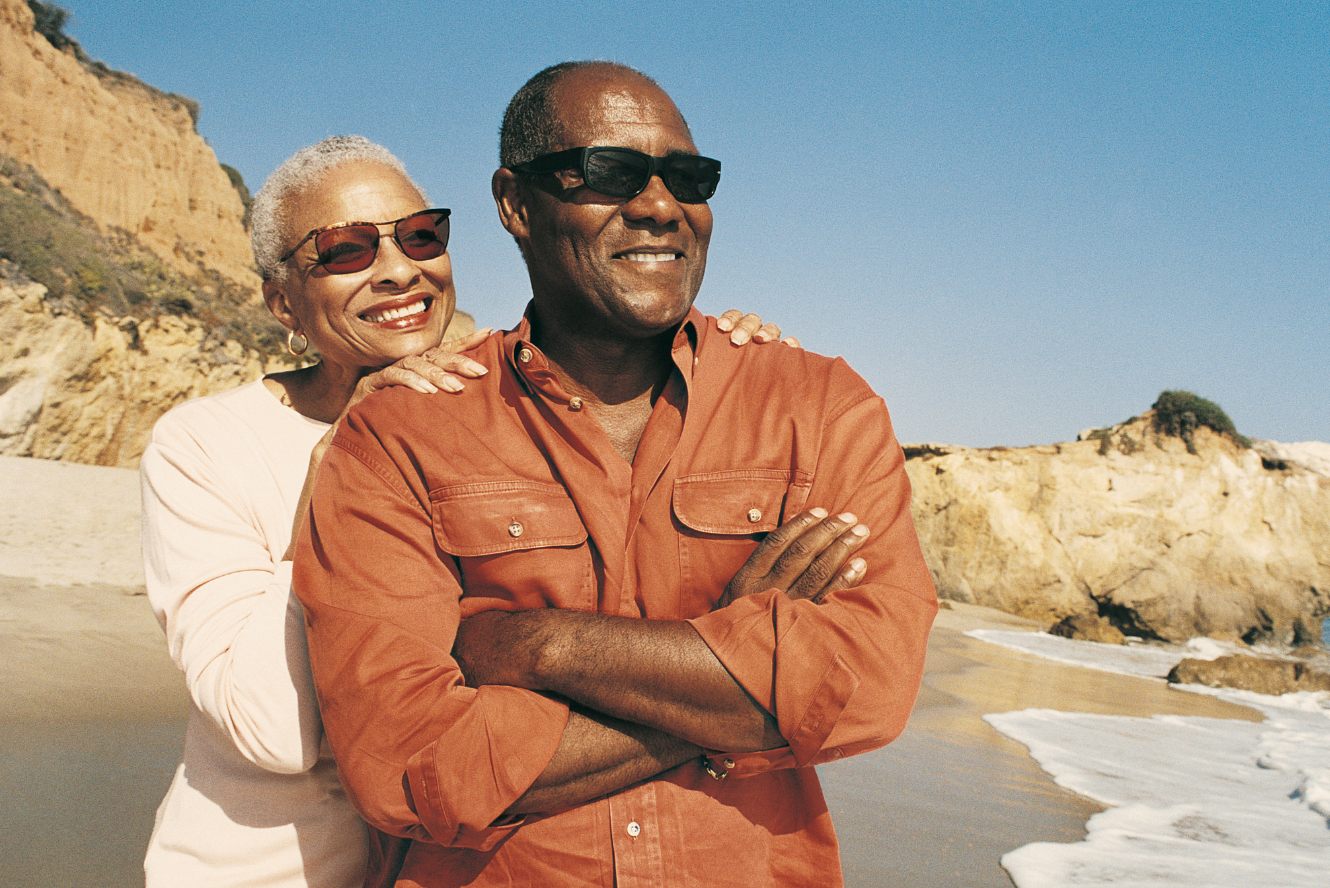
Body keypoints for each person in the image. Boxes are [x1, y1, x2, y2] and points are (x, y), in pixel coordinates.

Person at [294, 62, 937, 887]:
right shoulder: (400, 435)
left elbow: (867, 689)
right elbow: (405, 766)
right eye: (611, 173)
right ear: (515, 203)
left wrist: (536, 646)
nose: (662, 205)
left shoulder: (817, 408)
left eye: (689, 178)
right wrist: (740, 669)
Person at [140, 134, 786, 888]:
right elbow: (271, 731)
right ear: (282, 299)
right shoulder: (206, 444)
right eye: (346, 250)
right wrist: (340, 468)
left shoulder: (515, 406)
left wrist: (723, 364)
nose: (397, 268)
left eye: (421, 236)